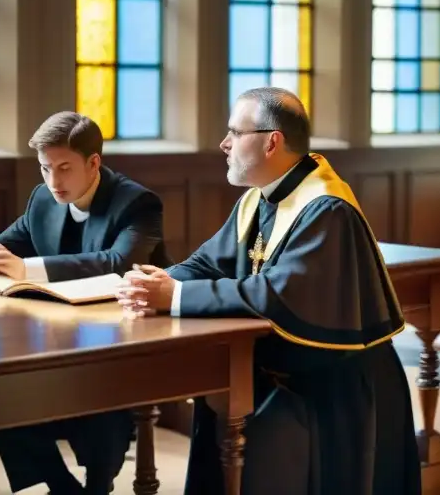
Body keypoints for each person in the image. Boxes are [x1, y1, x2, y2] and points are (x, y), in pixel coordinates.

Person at [114, 87, 421, 495]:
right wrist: (154, 282)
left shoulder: (327, 208)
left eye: (234, 133)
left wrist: (175, 297)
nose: (224, 144)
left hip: (332, 390)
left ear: (271, 141)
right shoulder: (258, 199)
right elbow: (207, 263)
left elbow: (277, 295)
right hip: (279, 372)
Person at [0, 111, 166, 495]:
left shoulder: (138, 203)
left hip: (125, 336)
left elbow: (118, 264)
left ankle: (98, 483)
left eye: (64, 168)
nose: (53, 181)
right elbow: (2, 245)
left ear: (93, 163)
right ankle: (61, 484)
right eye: (44, 168)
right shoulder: (43, 198)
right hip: (58, 330)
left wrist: (26, 269)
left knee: (95, 391)